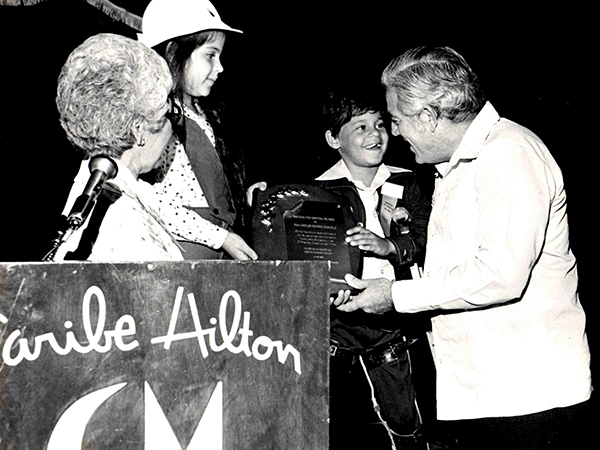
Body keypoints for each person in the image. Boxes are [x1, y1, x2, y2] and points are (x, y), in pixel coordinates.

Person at [335, 46, 593, 449]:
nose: (395, 133)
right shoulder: (460, 165)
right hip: (489, 392)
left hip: (528, 396)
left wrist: (395, 295)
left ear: (428, 116)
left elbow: (499, 275)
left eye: (397, 120)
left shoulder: (509, 154)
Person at [318, 85, 432, 449]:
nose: (375, 134)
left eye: (380, 124)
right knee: (342, 424)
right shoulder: (319, 192)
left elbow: (427, 239)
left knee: (407, 419)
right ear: (333, 139)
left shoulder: (407, 181)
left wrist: (390, 246)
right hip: (342, 329)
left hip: (397, 323)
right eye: (361, 127)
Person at [137, 0, 257, 261]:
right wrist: (217, 236)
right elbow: (140, 195)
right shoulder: (156, 116)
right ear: (174, 52)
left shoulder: (207, 113)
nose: (220, 67)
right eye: (210, 55)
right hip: (178, 253)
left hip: (216, 254)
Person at [54, 33, 183, 261]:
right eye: (170, 115)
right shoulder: (122, 218)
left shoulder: (87, 191)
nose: (173, 130)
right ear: (138, 129)